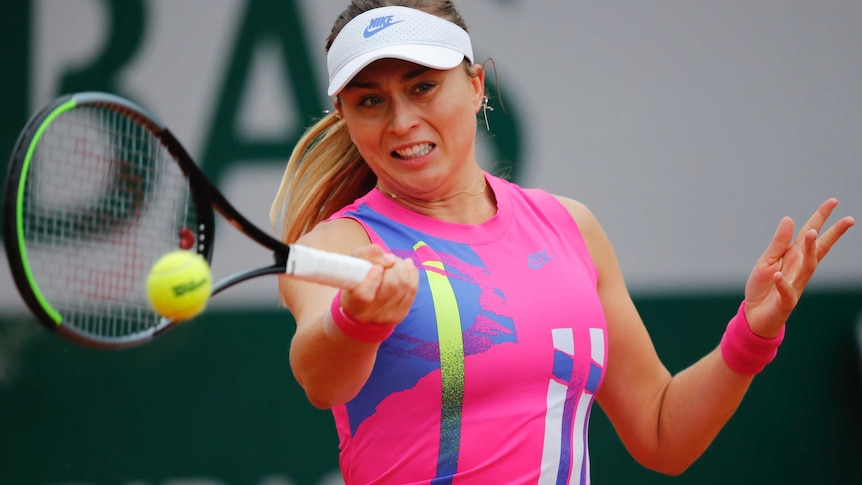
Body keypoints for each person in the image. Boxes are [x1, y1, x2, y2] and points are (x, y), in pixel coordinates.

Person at [269, 1, 855, 483]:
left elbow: (661, 434)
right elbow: (321, 379)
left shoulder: (570, 227)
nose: (401, 121)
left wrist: (753, 331)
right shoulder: (338, 248)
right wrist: (359, 319)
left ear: (475, 87)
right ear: (345, 116)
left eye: (423, 87)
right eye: (370, 100)